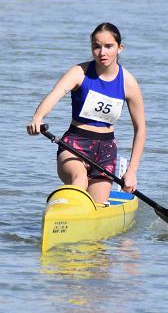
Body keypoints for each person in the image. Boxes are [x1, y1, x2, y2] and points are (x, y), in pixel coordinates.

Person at [26, 23, 145, 206]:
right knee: (79, 180)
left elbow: (140, 129)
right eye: (96, 47)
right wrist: (38, 117)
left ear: (120, 48)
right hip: (75, 143)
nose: (102, 53)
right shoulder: (79, 73)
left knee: (96, 207)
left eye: (109, 46)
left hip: (106, 150)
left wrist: (132, 171)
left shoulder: (129, 83)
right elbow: (53, 96)